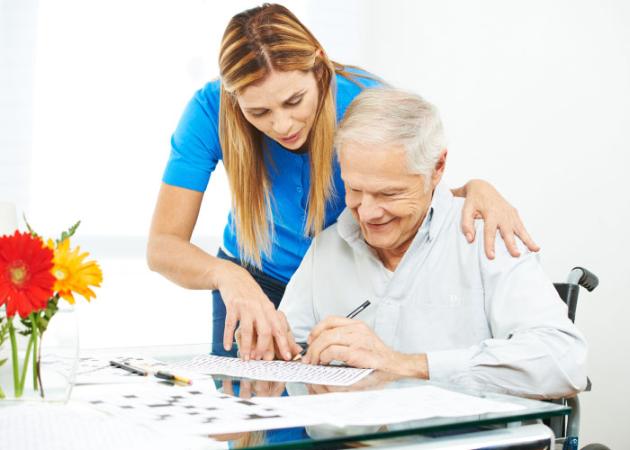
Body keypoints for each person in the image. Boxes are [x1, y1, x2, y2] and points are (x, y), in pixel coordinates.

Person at [147, 4, 539, 363]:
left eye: (294, 100)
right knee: (251, 424)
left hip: (340, 287)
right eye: (259, 112)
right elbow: (163, 246)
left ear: (319, 67)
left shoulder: (368, 102)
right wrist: (229, 276)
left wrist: (473, 188)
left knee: (338, 422)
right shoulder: (209, 111)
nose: (281, 125)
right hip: (251, 285)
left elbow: (408, 193)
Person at [279, 88, 587, 398]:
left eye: (389, 193)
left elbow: (563, 361)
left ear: (437, 168)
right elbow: (286, 354)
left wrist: (406, 365)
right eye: (355, 189)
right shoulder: (327, 248)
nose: (368, 213)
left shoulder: (486, 239)